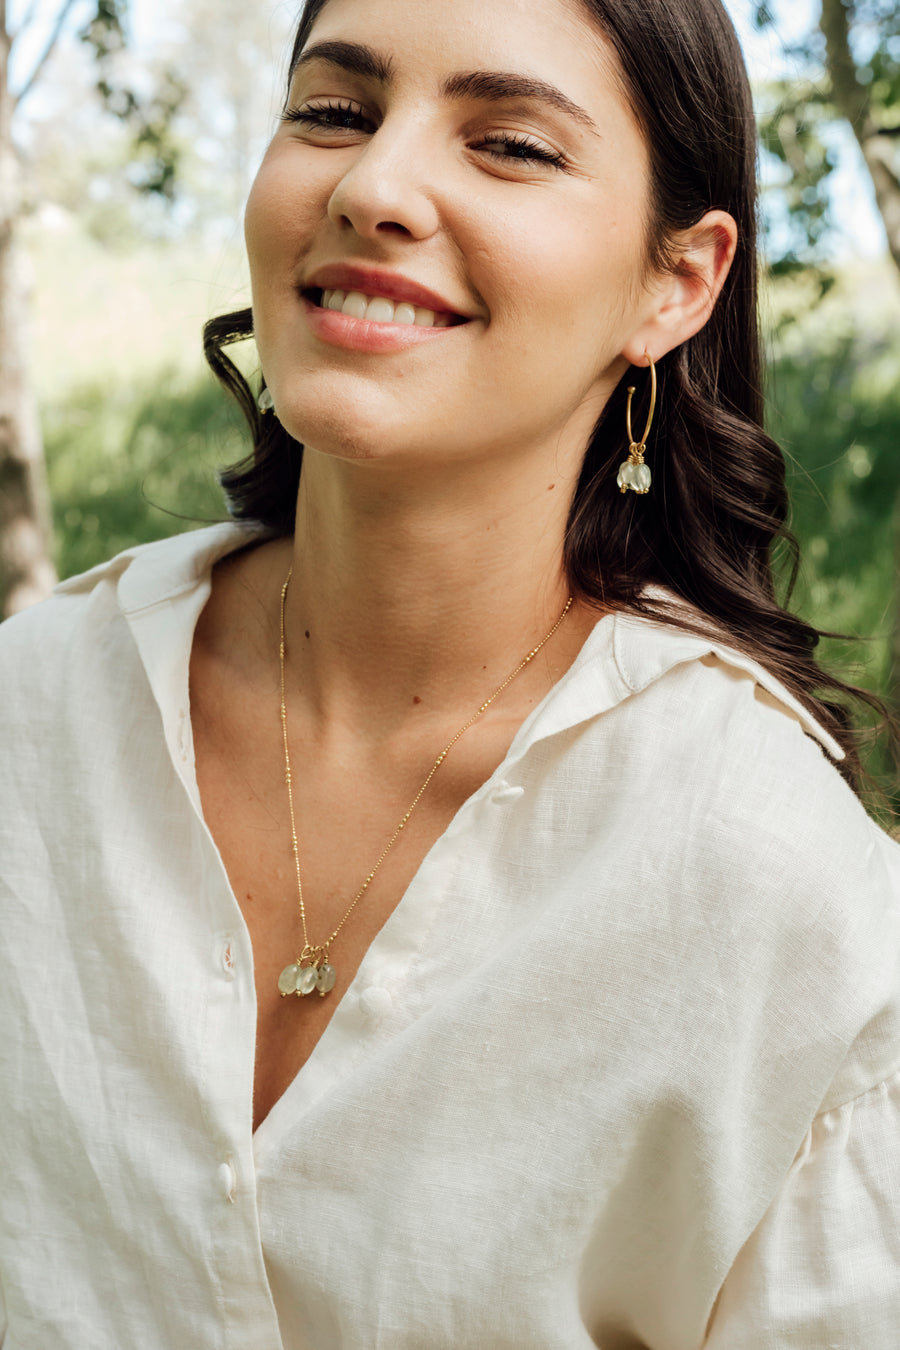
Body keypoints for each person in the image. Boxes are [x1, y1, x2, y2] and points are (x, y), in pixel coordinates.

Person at [1, 0, 898, 1344]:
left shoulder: (786, 895)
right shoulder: (29, 713)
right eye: (333, 112)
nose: (372, 186)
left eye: (512, 145)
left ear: (676, 283)